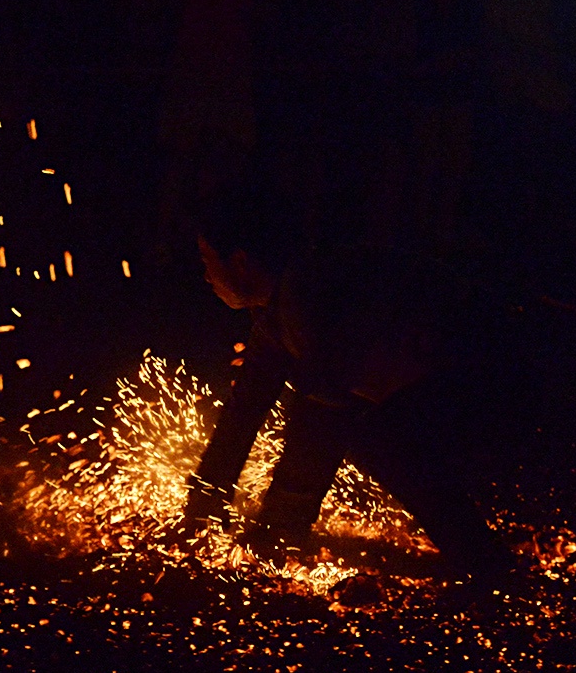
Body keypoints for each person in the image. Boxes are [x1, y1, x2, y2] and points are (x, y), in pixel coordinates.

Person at [180, 190, 506, 580]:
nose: (205, 276)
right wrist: (202, 508)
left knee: (378, 441)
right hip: (436, 378)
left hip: (477, 374)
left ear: (239, 262)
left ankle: (488, 566)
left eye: (207, 261)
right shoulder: (274, 310)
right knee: (366, 429)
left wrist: (277, 532)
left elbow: (322, 419)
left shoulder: (307, 294)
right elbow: (245, 406)